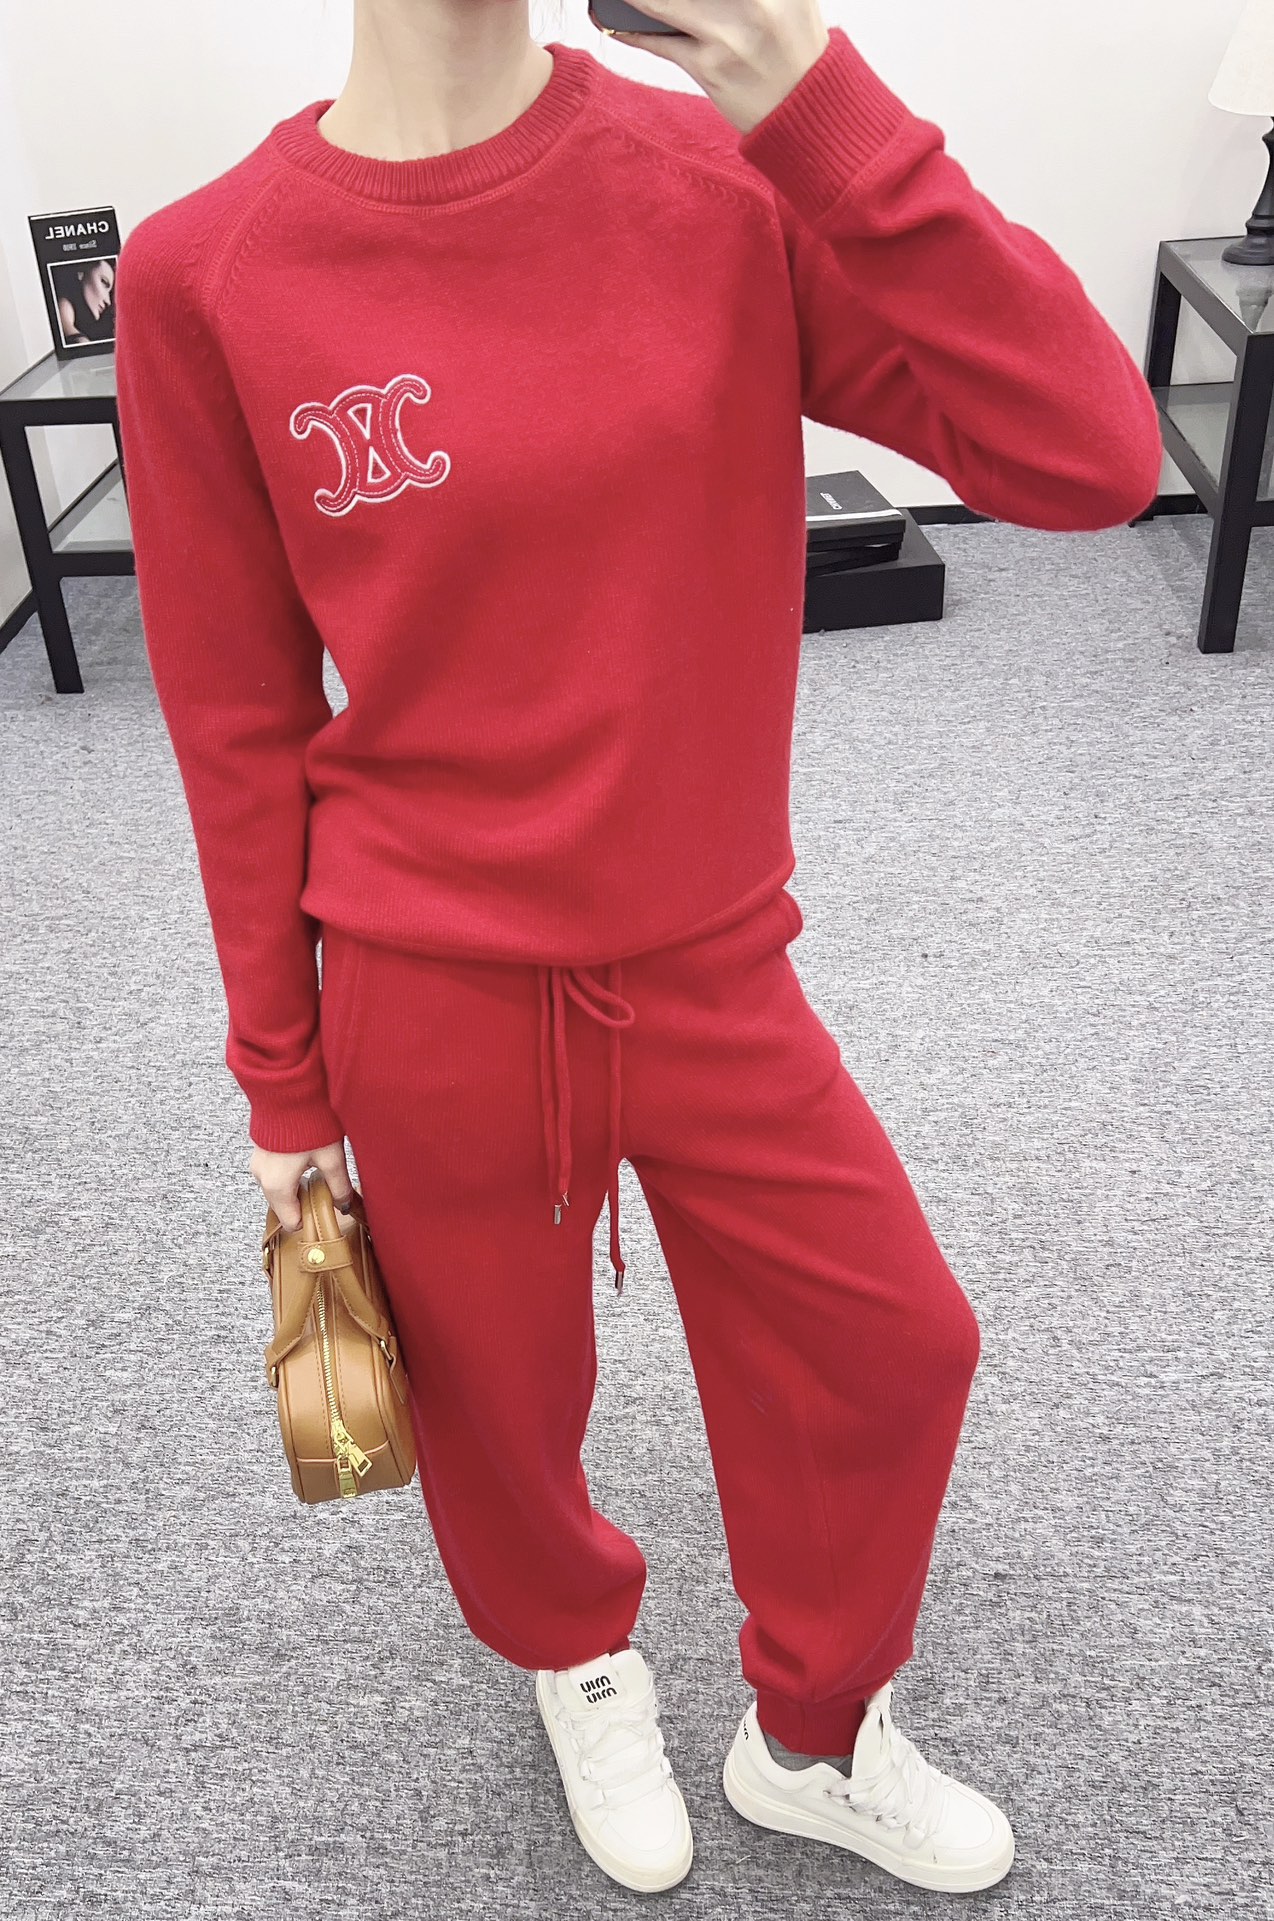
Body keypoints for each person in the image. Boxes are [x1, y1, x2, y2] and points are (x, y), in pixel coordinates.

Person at [113, 0, 1163, 1898]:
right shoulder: (212, 274)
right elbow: (237, 723)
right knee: (496, 1409)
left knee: (891, 1349)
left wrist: (809, 94)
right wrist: (282, 1081)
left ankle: (812, 1731)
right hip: (427, 979)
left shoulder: (719, 183)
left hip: (707, 957)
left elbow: (1089, 456)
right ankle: (574, 1658)